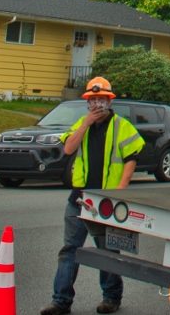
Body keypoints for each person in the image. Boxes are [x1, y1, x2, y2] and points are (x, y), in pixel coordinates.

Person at [40, 77, 145, 315]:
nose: (97, 104)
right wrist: (86, 124)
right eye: (93, 100)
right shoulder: (81, 123)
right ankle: (60, 302)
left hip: (106, 200)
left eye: (102, 99)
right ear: (87, 102)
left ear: (110, 101)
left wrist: (120, 190)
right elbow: (68, 149)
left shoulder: (122, 126)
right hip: (79, 199)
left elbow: (131, 159)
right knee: (70, 250)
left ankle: (111, 297)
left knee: (107, 251)